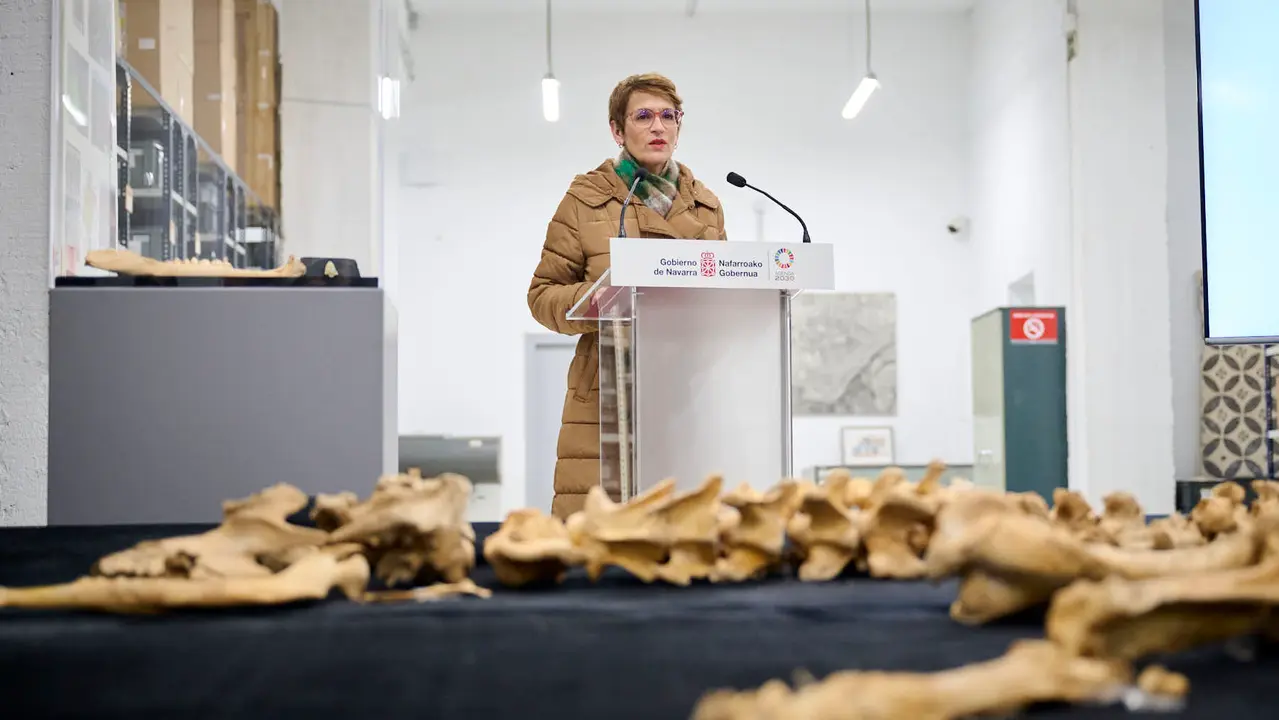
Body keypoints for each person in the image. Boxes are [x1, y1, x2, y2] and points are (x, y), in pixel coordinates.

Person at [527, 73, 729, 518]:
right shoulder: (586, 200)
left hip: (682, 391)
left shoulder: (707, 206)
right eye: (643, 116)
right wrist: (596, 300)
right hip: (605, 390)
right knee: (597, 541)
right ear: (618, 130)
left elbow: (723, 298)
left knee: (680, 537)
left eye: (668, 116)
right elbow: (542, 295)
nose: (658, 127)